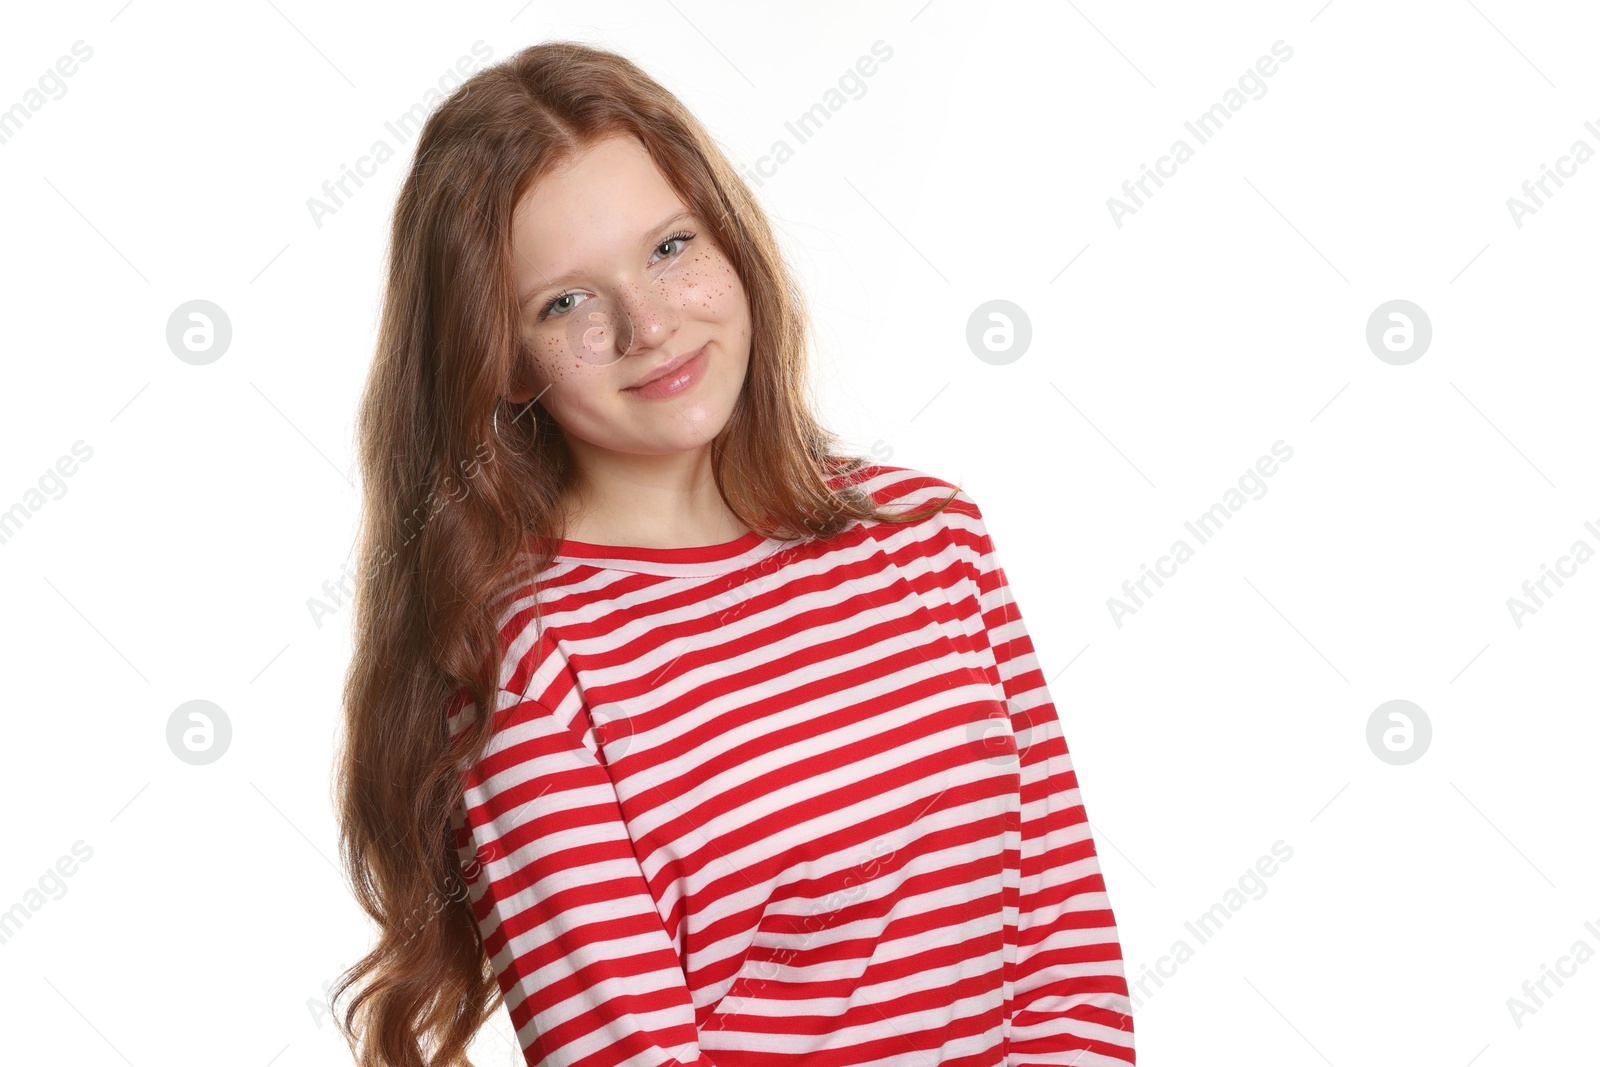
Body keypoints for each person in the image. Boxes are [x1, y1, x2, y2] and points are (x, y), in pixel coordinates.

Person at [331, 40, 1134, 1067]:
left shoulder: (932, 538)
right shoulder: (528, 661)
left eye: (670, 247)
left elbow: (1065, 959)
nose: (649, 325)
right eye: (564, 302)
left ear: (730, 243)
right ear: (500, 362)